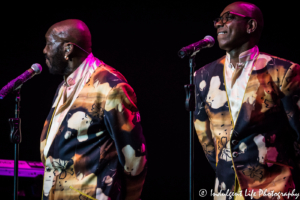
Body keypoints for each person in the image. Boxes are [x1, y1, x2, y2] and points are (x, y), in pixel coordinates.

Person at [194, 2, 300, 200]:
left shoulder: (283, 71)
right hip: (225, 191)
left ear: (250, 26)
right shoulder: (203, 76)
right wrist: (227, 167)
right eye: (218, 20)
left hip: (272, 189)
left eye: (228, 18)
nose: (219, 24)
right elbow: (205, 138)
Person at [40, 19, 147, 200]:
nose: (45, 50)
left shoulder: (110, 87)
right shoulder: (65, 86)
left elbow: (135, 160)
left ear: (68, 49)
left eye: (49, 43)